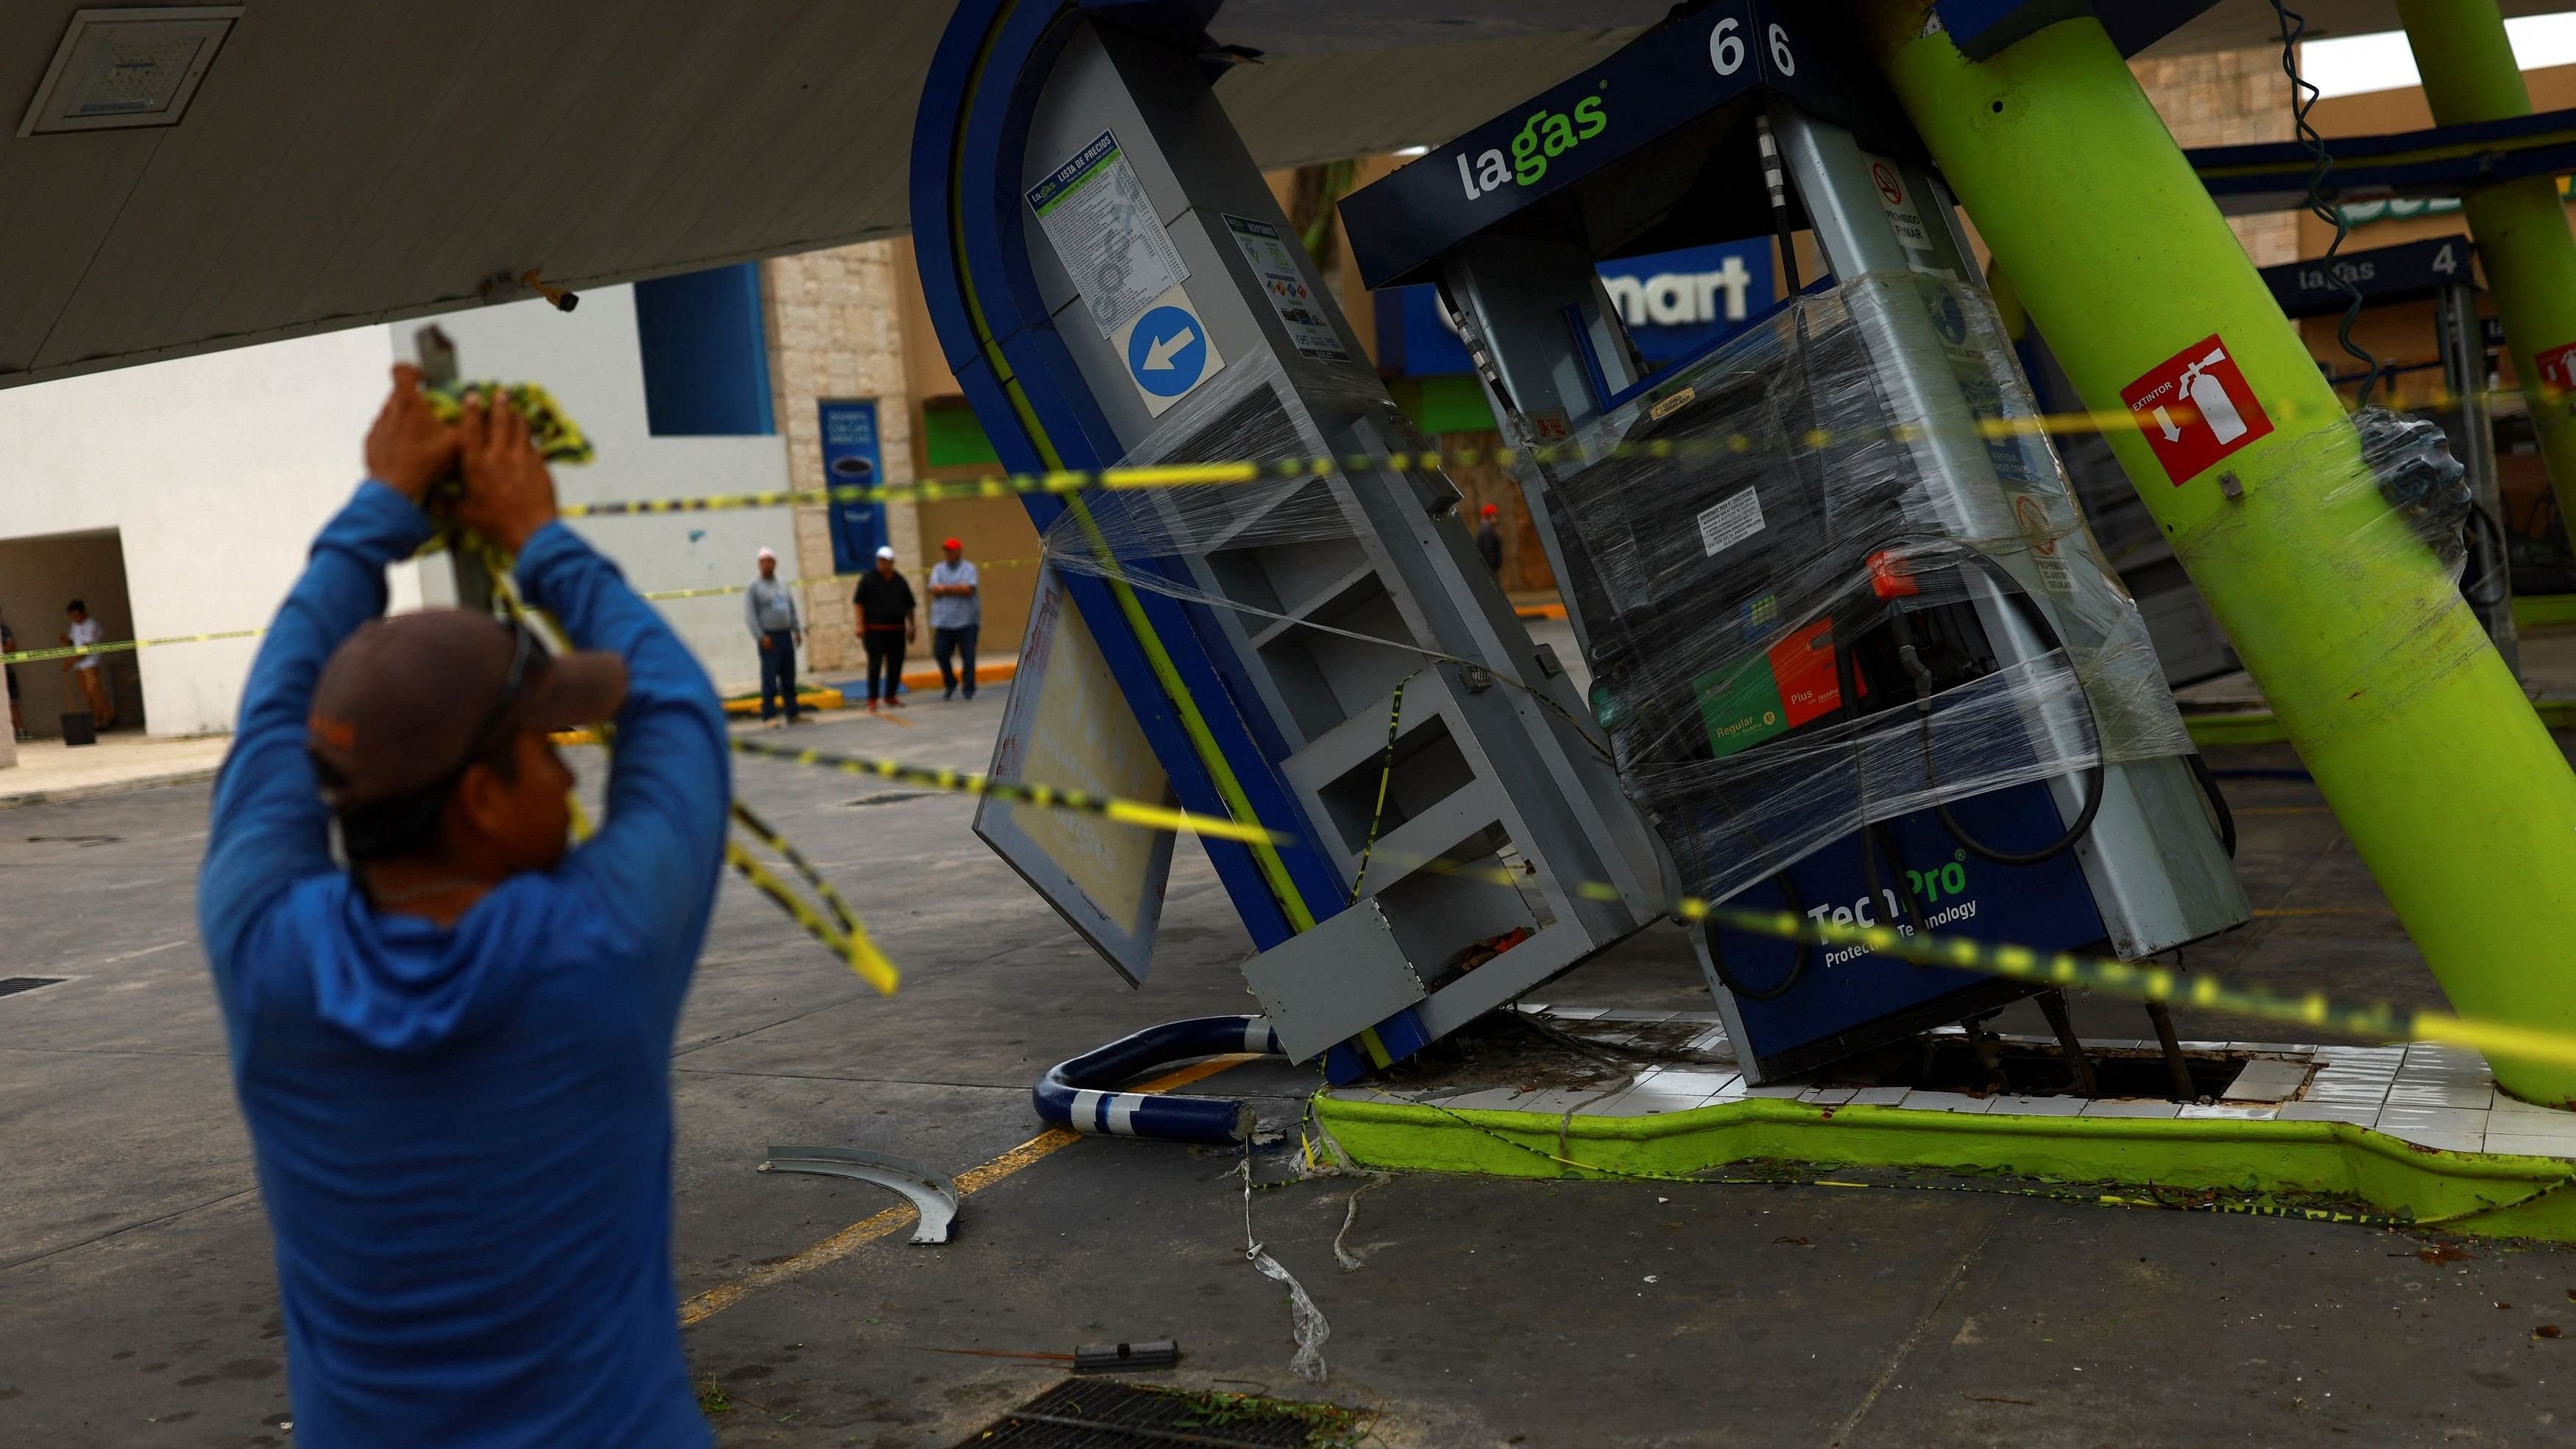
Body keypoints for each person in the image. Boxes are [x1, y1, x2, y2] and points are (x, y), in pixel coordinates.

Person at [197, 366, 728, 1448]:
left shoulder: (266, 952)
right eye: (544, 754)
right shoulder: (598, 948)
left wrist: (371, 521)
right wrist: (539, 536)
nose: (573, 781)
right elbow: (674, 706)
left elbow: (270, 728)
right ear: (482, 799)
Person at [745, 545, 806, 726]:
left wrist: (796, 629)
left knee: (789, 677)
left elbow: (790, 607)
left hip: (785, 636)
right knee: (770, 678)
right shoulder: (754, 587)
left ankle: (793, 713)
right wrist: (761, 636)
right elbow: (750, 615)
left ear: (775, 563)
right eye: (764, 562)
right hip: (769, 638)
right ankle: (769, 716)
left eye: (770, 561)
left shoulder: (782, 584)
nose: (767, 565)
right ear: (759, 564)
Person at [852, 543, 916, 710]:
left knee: (895, 664)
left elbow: (909, 606)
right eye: (880, 560)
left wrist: (912, 626)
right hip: (874, 630)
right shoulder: (868, 579)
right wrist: (859, 625)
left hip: (896, 630)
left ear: (892, 562)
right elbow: (859, 603)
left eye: (886, 560)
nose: (882, 563)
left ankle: (890, 695)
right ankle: (872, 698)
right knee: (875, 664)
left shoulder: (900, 581)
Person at [925, 536, 981, 701]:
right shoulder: (938, 569)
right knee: (940, 654)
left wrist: (944, 588)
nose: (948, 553)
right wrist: (954, 588)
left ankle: (969, 687)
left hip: (967, 621)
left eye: (951, 550)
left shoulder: (969, 568)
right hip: (944, 622)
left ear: (959, 551)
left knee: (968, 657)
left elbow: (968, 590)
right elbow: (934, 589)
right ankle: (950, 682)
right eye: (946, 550)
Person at [61, 598, 116, 729]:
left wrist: (70, 662)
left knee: (94, 689)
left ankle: (109, 715)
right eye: (72, 617)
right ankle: (98, 720)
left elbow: (86, 647)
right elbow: (74, 643)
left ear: (83, 612)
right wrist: (66, 640)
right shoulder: (75, 625)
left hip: (90, 662)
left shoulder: (92, 625)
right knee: (86, 694)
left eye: (76, 615)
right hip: (78, 665)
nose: (74, 619)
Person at [3, 614, 24, 740]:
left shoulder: (4, 630)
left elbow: (11, 646)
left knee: (12, 702)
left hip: (6, 672)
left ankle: (20, 730)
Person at [1474, 502, 1504, 577]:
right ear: (1489, 516)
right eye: (1495, 516)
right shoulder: (1486, 531)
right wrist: (1493, 568)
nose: (1497, 519)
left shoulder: (1486, 529)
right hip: (1490, 570)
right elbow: (1489, 552)